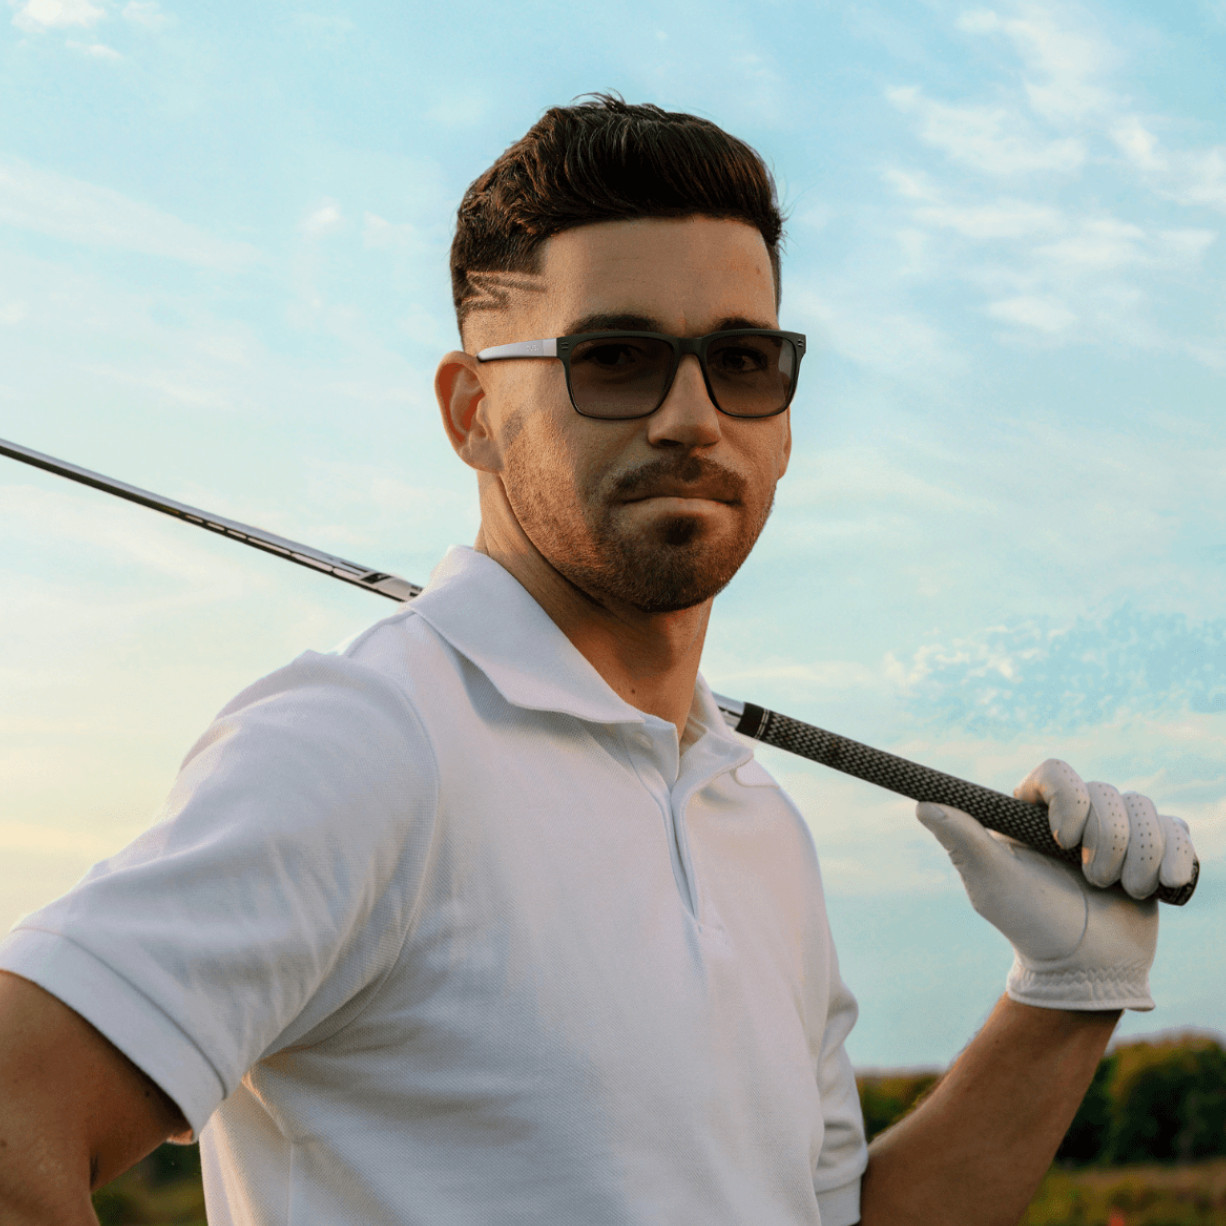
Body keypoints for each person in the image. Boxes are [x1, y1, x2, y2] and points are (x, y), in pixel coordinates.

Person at [0, 96, 1197, 1226]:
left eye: (742, 360)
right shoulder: (363, 741)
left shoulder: (757, 819)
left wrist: (1064, 994)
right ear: (472, 408)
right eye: (615, 358)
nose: (691, 415)